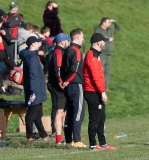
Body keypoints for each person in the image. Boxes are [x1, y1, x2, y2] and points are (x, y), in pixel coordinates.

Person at [83, 33, 117, 150]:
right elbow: (95, 76)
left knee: (101, 118)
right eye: (104, 41)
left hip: (96, 90)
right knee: (95, 119)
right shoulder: (91, 55)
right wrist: (102, 91)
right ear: (98, 42)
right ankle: (93, 144)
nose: (105, 43)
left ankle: (103, 143)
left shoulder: (96, 55)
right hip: (92, 91)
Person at [19, 36, 51, 141]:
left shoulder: (29, 54)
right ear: (32, 44)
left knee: (37, 115)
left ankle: (44, 135)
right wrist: (34, 92)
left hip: (37, 89)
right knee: (31, 115)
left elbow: (24, 51)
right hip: (35, 90)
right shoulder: (32, 58)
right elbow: (33, 76)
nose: (40, 44)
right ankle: (30, 136)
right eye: (38, 43)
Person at [61, 28, 86, 148]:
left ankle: (68, 140)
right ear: (77, 37)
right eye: (82, 37)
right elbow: (74, 69)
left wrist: (63, 81)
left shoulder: (66, 50)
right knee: (78, 113)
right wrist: (67, 81)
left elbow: (62, 68)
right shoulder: (76, 50)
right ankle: (77, 140)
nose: (83, 40)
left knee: (70, 112)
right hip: (75, 84)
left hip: (68, 86)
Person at [47, 33, 71, 144]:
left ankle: (64, 135)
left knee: (64, 111)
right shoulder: (58, 52)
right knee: (59, 111)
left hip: (56, 84)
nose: (69, 43)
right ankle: (58, 138)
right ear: (62, 42)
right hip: (57, 85)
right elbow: (58, 69)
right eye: (67, 41)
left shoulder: (58, 51)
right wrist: (61, 82)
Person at [94, 17, 120, 90]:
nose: (110, 24)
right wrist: (108, 39)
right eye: (108, 22)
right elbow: (96, 38)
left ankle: (106, 86)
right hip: (102, 53)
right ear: (103, 23)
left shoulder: (110, 30)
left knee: (108, 71)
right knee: (101, 70)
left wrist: (114, 21)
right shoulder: (98, 30)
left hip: (109, 54)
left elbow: (118, 28)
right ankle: (99, 86)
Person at [0, 16, 16, 94]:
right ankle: (2, 88)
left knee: (14, 66)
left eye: (0, 23)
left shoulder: (4, 29)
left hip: (5, 53)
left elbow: (9, 40)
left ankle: (17, 84)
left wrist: (5, 34)